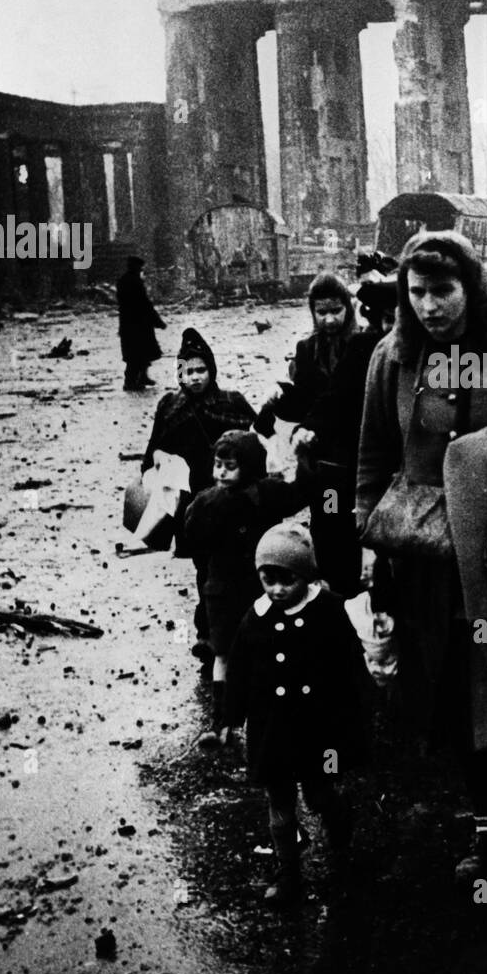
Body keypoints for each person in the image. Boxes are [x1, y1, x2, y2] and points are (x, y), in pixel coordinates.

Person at [356, 230, 487, 886]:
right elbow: (372, 455)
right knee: (449, 703)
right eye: (415, 292)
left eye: (442, 291)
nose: (429, 305)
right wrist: (371, 528)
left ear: (470, 286)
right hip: (424, 565)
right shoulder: (393, 358)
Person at [224, 523, 371, 908]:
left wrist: (356, 718)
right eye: (267, 580)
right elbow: (238, 671)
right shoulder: (255, 618)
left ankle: (340, 837)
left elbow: (351, 667)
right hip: (272, 729)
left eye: (286, 580)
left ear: (305, 576)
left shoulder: (329, 610)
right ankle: (288, 873)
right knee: (279, 801)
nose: (276, 590)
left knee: (321, 793)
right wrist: (228, 717)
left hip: (320, 728)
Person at [254, 273, 379, 597]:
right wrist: (281, 396)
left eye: (335, 311)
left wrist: (314, 424)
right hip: (321, 457)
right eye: (321, 312)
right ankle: (334, 589)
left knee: (354, 520)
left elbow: (351, 397)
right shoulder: (307, 349)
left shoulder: (364, 344)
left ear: (348, 308)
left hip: (354, 451)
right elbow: (305, 397)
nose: (329, 319)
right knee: (327, 519)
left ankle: (358, 590)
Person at [182, 431, 310, 747]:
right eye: (217, 465)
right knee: (224, 652)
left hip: (248, 588)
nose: (221, 472)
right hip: (228, 590)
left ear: (250, 466)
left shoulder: (263, 493)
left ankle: (246, 719)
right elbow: (190, 535)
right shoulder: (211, 500)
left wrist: (306, 459)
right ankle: (223, 720)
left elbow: (301, 493)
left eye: (229, 465)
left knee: (254, 650)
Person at [142, 328, 256, 672]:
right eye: (187, 371)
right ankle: (209, 637)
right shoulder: (170, 406)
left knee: (234, 566)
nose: (194, 378)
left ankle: (240, 633)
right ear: (179, 373)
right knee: (205, 570)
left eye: (200, 370)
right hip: (192, 508)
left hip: (230, 501)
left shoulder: (231, 402)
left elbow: (255, 445)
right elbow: (153, 452)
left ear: (212, 370)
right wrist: (154, 472)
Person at [117, 256, 165, 391]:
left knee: (138, 353)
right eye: (139, 268)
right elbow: (144, 303)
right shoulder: (134, 282)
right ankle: (130, 381)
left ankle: (141, 377)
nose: (140, 270)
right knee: (137, 354)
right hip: (138, 323)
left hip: (130, 323)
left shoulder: (124, 281)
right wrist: (158, 321)